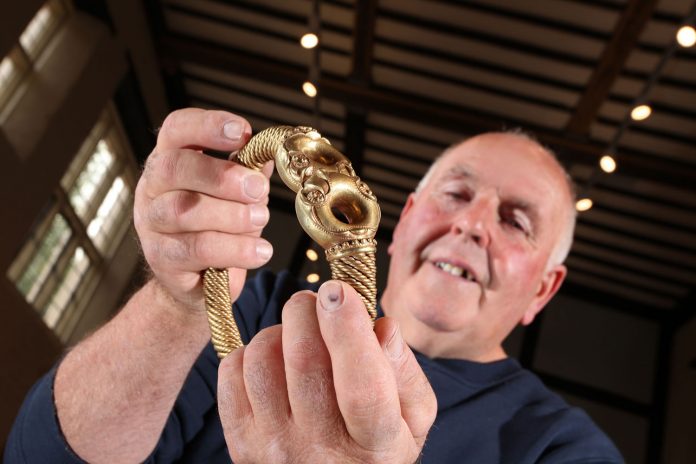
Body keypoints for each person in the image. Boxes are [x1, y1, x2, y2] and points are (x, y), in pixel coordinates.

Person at [5, 109, 623, 463]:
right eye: (456, 195)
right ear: (404, 218)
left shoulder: (563, 449)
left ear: (543, 289)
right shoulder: (256, 307)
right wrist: (176, 304)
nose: (470, 223)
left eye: (514, 221)